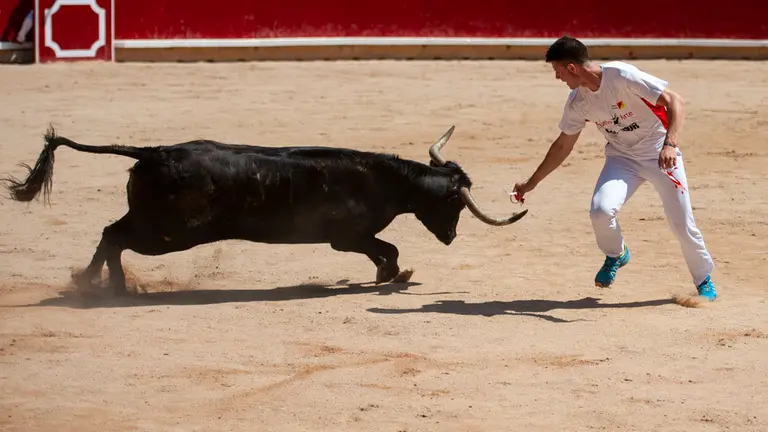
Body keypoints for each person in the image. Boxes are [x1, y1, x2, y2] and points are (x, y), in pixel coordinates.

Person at [512, 35, 717, 301]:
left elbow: (675, 101)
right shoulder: (578, 102)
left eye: (558, 71)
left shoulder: (621, 75)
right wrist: (531, 183)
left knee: (682, 223)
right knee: (600, 210)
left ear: (572, 68)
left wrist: (670, 143)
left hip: (659, 152)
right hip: (622, 158)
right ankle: (616, 254)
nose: (558, 78)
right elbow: (562, 145)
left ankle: (703, 280)